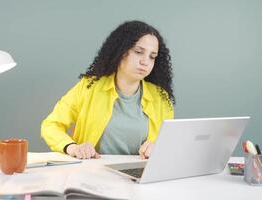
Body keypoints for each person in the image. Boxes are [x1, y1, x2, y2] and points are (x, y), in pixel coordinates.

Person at [41, 20, 175, 160]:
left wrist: (159, 148)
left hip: (140, 174)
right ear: (120, 51)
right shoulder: (89, 87)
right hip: (92, 172)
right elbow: (50, 125)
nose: (145, 61)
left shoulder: (161, 97)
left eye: (152, 57)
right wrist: (73, 147)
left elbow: (171, 144)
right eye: (138, 52)